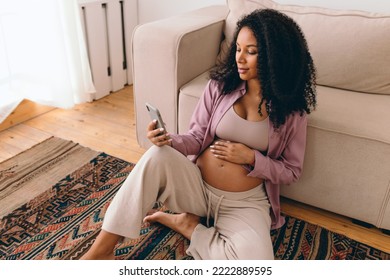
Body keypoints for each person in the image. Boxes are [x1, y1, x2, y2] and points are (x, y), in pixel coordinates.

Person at [81, 8, 316, 260]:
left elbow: (291, 171)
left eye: (251, 52)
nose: (240, 58)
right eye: (238, 48)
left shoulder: (292, 113)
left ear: (275, 56)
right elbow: (196, 136)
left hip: (243, 203)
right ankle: (101, 250)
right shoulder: (219, 87)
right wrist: (169, 140)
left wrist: (251, 157)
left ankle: (190, 227)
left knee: (257, 265)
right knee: (156, 155)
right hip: (197, 187)